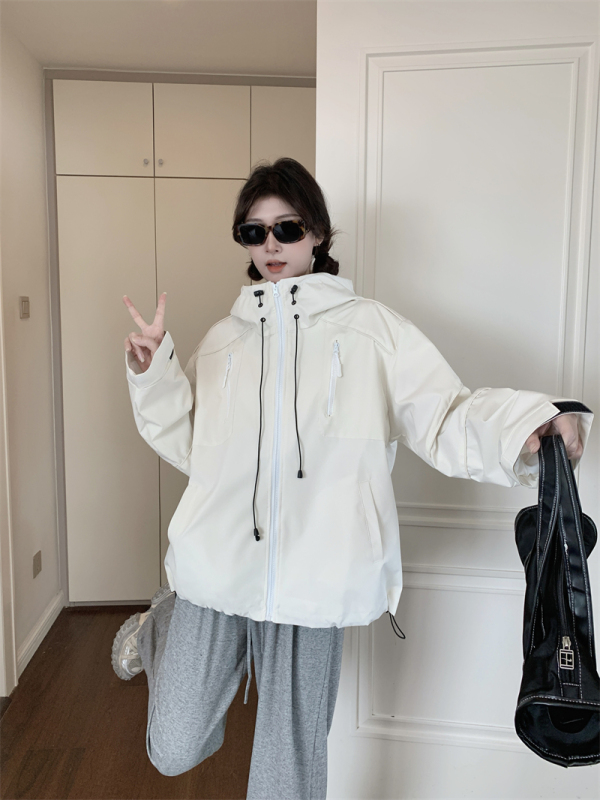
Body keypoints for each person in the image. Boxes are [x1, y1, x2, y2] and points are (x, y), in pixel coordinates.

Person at [112, 158, 593, 799]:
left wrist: (527, 423)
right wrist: (154, 374)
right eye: (254, 233)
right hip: (214, 566)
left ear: (317, 232)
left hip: (317, 576)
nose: (271, 244)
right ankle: (158, 626)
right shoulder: (224, 339)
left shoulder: (371, 329)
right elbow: (191, 444)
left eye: (286, 227)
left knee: (287, 780)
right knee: (174, 748)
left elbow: (444, 414)